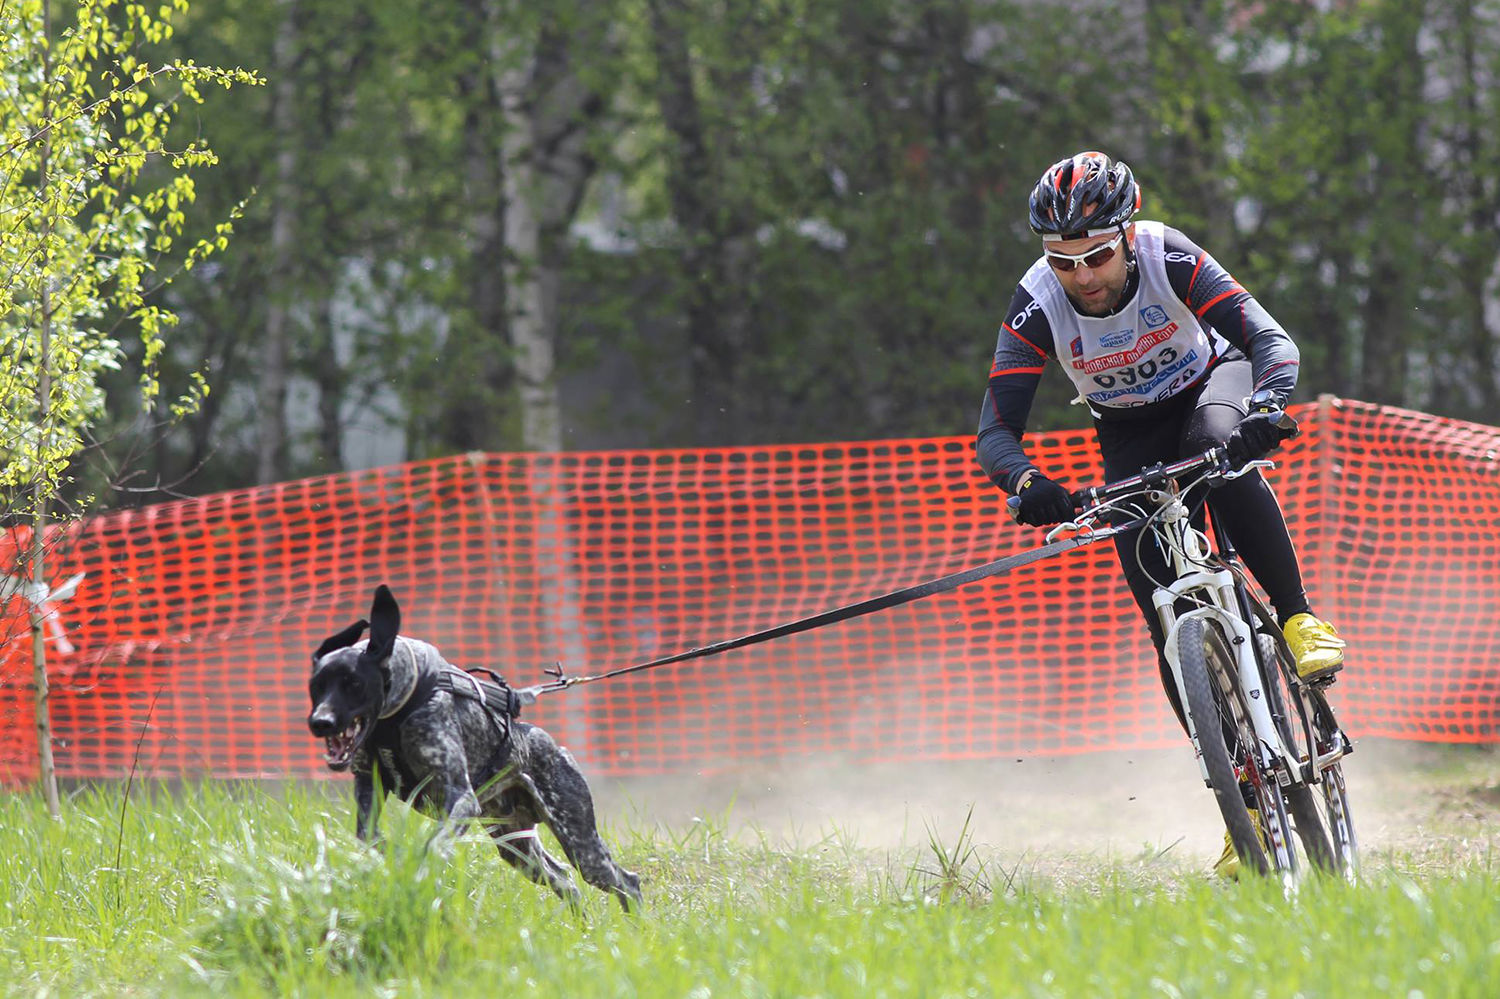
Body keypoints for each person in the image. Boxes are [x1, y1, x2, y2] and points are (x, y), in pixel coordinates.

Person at [975, 150, 1345, 878]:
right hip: (1128, 430)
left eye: (1097, 256)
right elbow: (995, 431)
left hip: (1213, 384)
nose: (1082, 276)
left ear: (1126, 233)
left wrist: (1267, 406)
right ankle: (1244, 810)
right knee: (1162, 617)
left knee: (1216, 450)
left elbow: (1269, 339)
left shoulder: (1167, 255)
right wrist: (1026, 481)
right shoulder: (1035, 303)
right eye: (1063, 262)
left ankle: (1299, 616)